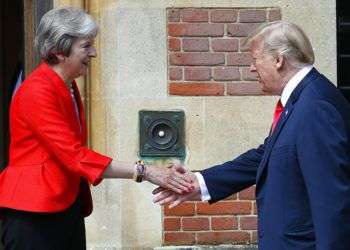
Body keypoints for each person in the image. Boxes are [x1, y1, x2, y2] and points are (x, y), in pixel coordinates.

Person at [0, 7, 192, 250]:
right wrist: (146, 171)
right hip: (34, 212)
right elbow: (75, 156)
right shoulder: (37, 90)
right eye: (86, 46)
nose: (94, 53)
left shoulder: (67, 87)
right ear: (60, 50)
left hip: (64, 207)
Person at [154, 21, 350, 250]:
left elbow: (332, 203)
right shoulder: (301, 99)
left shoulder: (316, 106)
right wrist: (199, 182)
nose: (251, 68)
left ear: (278, 60)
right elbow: (264, 156)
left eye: (255, 59)